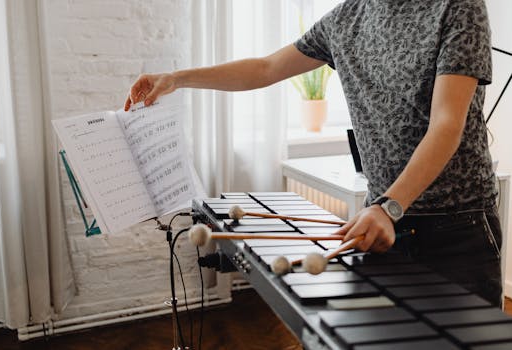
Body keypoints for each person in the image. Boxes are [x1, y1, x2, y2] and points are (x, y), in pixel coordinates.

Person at [125, 0, 502, 305]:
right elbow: (265, 67)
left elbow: (446, 124)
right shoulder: (347, 17)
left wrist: (390, 205)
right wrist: (177, 78)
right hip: (382, 222)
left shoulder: (458, 7)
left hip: (457, 225)